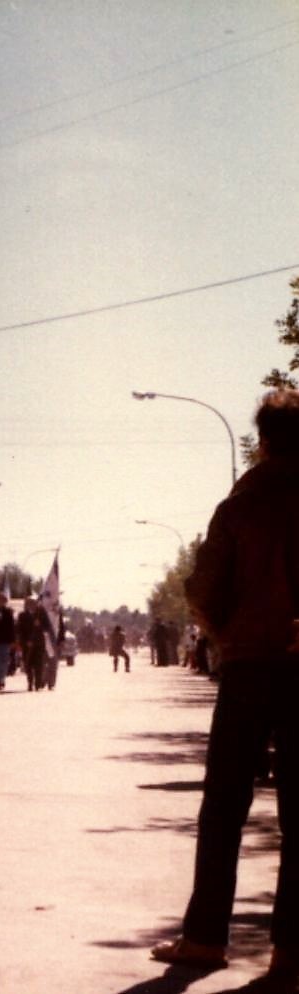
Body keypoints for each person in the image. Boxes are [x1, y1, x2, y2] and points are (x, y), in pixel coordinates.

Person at [152, 389, 299, 986]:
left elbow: (202, 589)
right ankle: (291, 953)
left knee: (224, 807)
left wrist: (225, 634)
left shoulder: (240, 504)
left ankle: (206, 939)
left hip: (247, 667)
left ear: (261, 442)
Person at [16, 597, 52, 692]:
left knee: (38, 664)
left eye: (33, 603)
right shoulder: (22, 615)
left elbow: (47, 627)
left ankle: (37, 684)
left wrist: (40, 624)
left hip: (39, 643)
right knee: (28, 664)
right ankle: (30, 682)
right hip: (27, 644)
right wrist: (25, 641)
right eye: (29, 603)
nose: (32, 605)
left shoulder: (41, 614)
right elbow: (19, 630)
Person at [0, 592, 16, 691]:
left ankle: (2, 678)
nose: (1, 602)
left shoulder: (8, 612)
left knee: (5, 660)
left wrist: (13, 640)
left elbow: (12, 627)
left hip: (6, 640)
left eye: (3, 600)